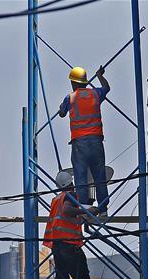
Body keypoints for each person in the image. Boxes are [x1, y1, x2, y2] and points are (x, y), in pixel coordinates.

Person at [58, 65, 111, 218]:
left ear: (73, 83)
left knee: (80, 177)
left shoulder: (70, 97)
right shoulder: (95, 94)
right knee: (99, 176)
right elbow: (106, 87)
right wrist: (99, 75)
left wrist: (62, 109)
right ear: (86, 82)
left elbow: (62, 114)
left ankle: (85, 208)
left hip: (79, 144)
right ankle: (103, 209)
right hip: (96, 142)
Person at [44, 171, 91, 279]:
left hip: (57, 245)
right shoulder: (70, 195)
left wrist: (81, 214)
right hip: (70, 245)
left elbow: (63, 217)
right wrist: (85, 210)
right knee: (83, 278)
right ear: (71, 182)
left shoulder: (55, 200)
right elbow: (67, 211)